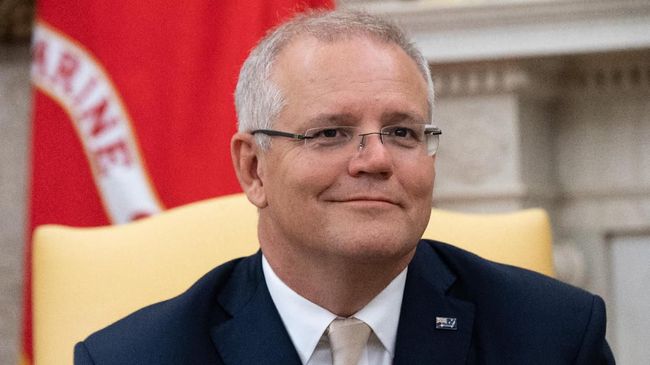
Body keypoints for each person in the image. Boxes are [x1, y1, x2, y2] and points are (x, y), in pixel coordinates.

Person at [74, 10, 615, 365]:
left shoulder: (553, 337)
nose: (376, 159)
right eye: (331, 133)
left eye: (402, 132)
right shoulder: (137, 357)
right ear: (253, 169)